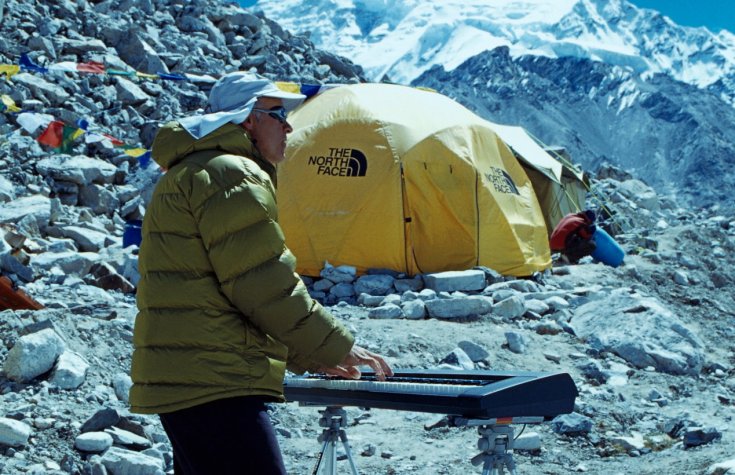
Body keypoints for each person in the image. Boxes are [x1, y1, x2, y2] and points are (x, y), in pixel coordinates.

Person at [129, 71, 393, 475]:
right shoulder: (228, 173)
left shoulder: (196, 169)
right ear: (247, 119)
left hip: (195, 374)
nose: (288, 126)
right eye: (277, 114)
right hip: (213, 380)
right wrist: (334, 346)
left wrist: (309, 355)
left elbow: (235, 288)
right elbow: (263, 283)